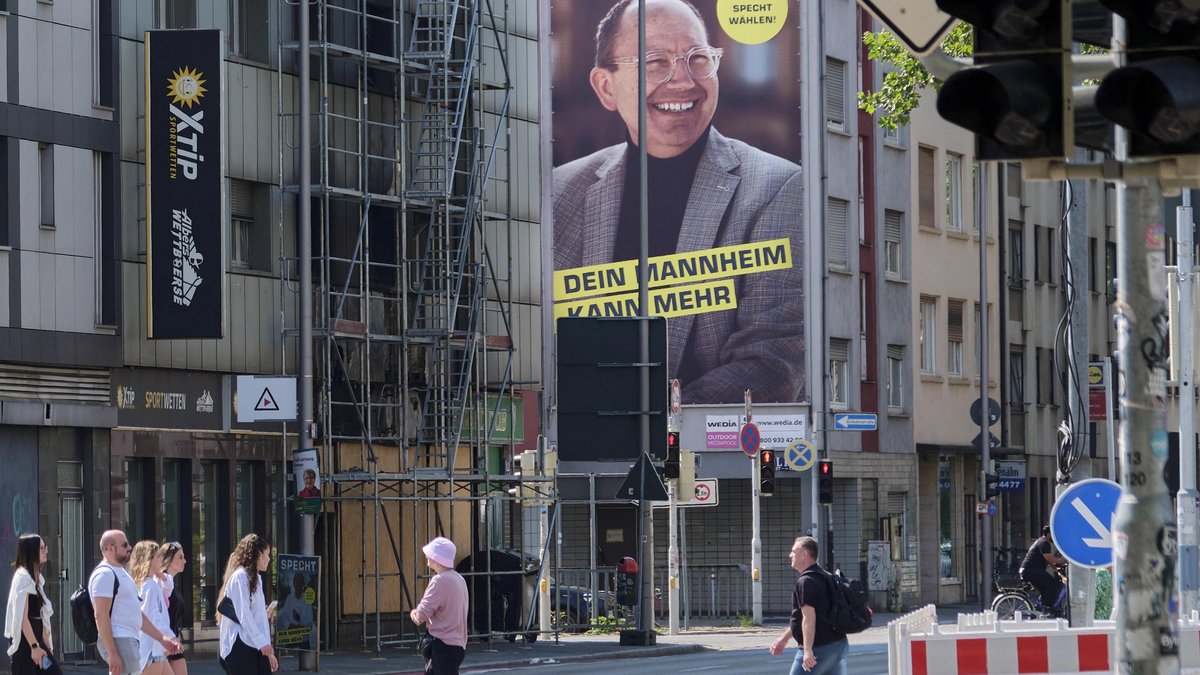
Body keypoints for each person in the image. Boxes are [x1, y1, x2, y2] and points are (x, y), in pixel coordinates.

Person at [553, 0, 805, 405]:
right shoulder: (560, 192)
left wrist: (644, 422)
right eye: (655, 63)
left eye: (698, 59)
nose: (684, 81)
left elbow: (771, 365)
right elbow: (534, 344)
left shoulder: (778, 188)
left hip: (695, 442)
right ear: (606, 87)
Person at [91, 530, 182, 675]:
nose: (129, 548)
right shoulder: (104, 574)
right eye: (124, 545)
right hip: (120, 639)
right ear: (109, 549)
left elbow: (139, 613)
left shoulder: (123, 574)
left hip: (131, 639)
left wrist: (162, 638)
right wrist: (112, 653)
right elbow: (101, 615)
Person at [769, 537, 848, 675]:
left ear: (804, 554)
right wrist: (785, 638)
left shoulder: (806, 581)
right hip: (837, 645)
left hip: (819, 648)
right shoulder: (825, 576)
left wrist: (807, 650)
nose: (790, 555)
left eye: (794, 551)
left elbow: (808, 618)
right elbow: (805, 618)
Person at [217, 533, 277, 674]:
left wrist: (267, 648)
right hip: (240, 644)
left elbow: (257, 617)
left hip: (255, 644)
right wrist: (262, 643)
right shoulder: (240, 577)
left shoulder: (256, 579)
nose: (269, 559)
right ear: (258, 555)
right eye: (267, 554)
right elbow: (244, 614)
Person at [4, 533, 63, 675]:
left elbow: (41, 616)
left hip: (36, 640)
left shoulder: (35, 578)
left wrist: (47, 645)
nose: (45, 551)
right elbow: (22, 618)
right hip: (27, 642)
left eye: (45, 547)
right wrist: (34, 646)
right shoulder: (23, 577)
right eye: (41, 548)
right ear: (31, 552)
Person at [410, 537, 468, 675]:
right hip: (458, 645)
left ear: (437, 558)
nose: (427, 556)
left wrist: (413, 613)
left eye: (430, 554)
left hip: (442, 644)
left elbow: (421, 615)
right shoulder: (459, 579)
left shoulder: (439, 580)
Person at [130, 541, 174, 675]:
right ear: (148, 560)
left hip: (155, 648)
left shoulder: (149, 583)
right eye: (158, 556)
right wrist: (170, 637)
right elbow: (153, 615)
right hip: (151, 648)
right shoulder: (149, 585)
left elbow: (168, 588)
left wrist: (162, 576)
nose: (161, 559)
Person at [159, 541, 191, 675]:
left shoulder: (170, 582)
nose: (185, 561)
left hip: (173, 641)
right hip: (163, 642)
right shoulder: (161, 583)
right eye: (180, 557)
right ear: (169, 559)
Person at [1019, 525, 1067, 612]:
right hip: (1031, 570)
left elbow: (1048, 561)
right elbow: (1048, 558)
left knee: (1045, 588)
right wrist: (1061, 560)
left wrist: (1057, 570)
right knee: (1052, 584)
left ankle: (1042, 606)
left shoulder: (1040, 541)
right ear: (1049, 534)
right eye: (1053, 535)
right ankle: (1047, 607)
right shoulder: (1044, 543)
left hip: (1028, 570)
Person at [279, 572, 314, 650]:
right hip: (291, 639)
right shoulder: (289, 599)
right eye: (296, 581)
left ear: (303, 584)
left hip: (304, 640)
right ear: (294, 583)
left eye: (300, 582)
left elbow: (310, 623)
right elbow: (285, 620)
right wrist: (300, 626)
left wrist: (299, 619)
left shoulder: (307, 600)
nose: (298, 584)